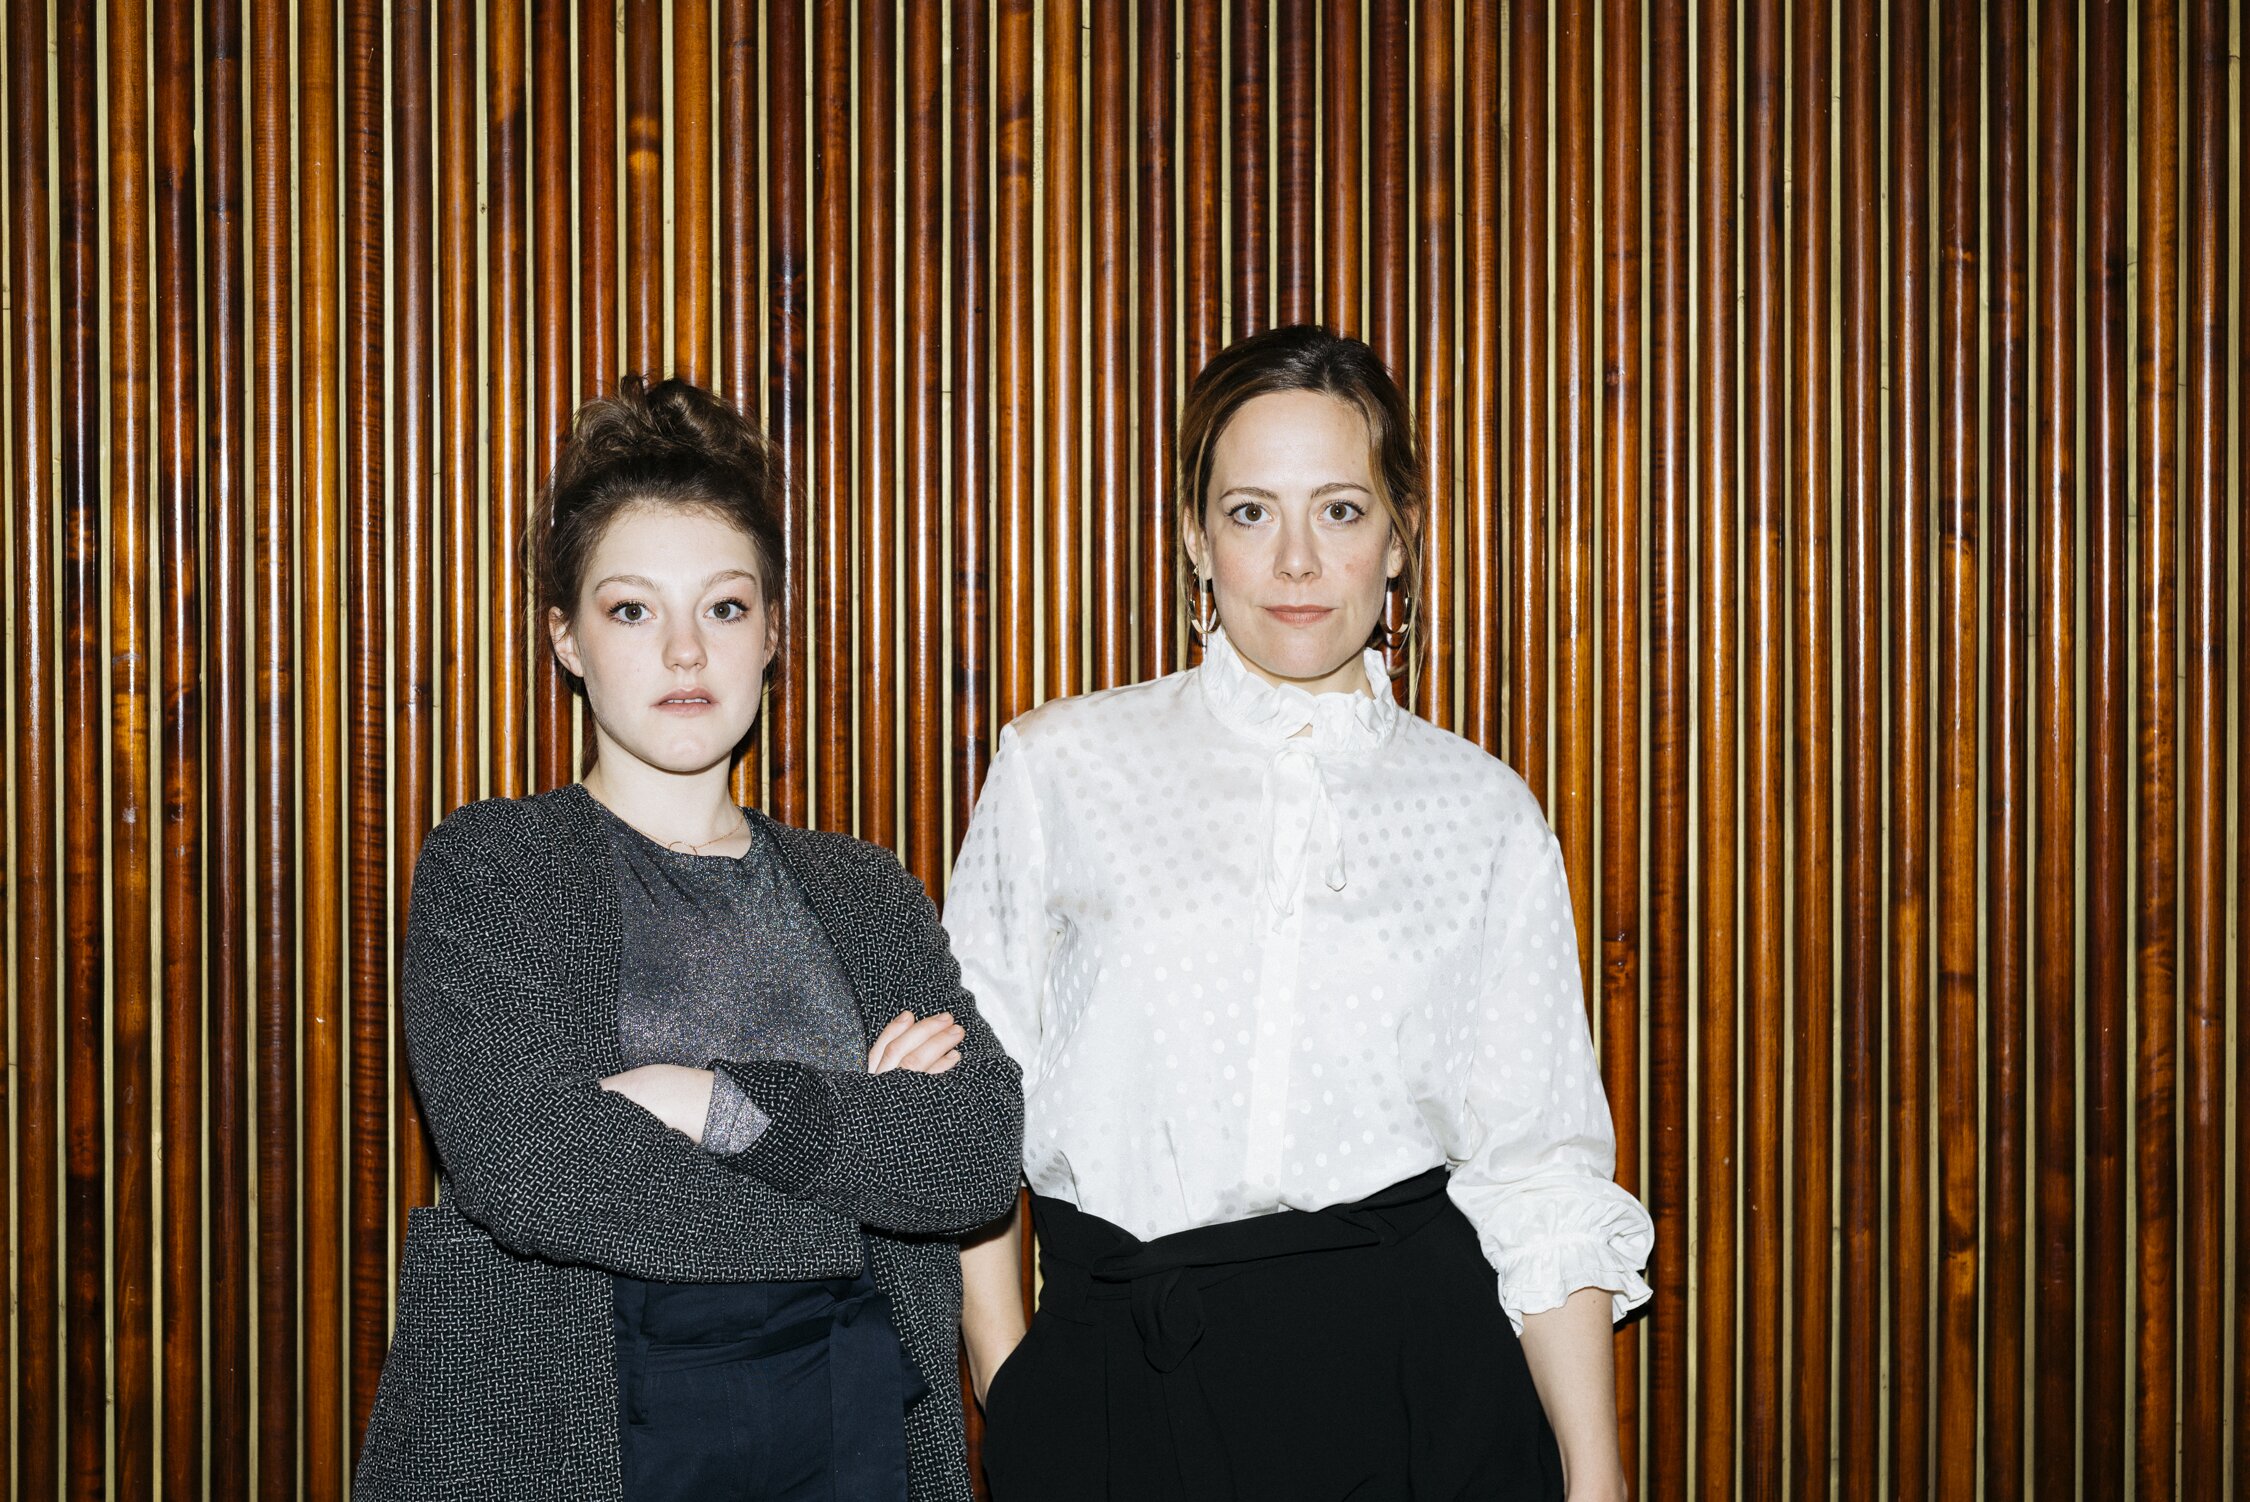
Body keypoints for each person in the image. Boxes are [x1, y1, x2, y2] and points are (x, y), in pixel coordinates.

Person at [949, 326, 1652, 1501]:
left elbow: (1540, 1168)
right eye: (1250, 511)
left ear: (1399, 535)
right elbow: (969, 1103)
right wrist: (1010, 1379)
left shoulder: (1482, 809)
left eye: (1339, 510)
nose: (1295, 560)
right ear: (1196, 536)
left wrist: (1595, 1474)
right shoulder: (1060, 766)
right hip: (1121, 1384)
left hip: (1417, 1393)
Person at [355, 377, 1023, 1502]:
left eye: (723, 608)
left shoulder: (861, 887)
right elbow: (533, 1167)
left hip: (849, 1434)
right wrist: (859, 1161)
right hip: (574, 1439)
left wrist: (697, 1099)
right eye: (631, 610)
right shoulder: (492, 863)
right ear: (566, 638)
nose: (683, 653)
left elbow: (973, 1153)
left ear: (772, 633)